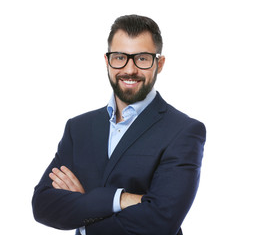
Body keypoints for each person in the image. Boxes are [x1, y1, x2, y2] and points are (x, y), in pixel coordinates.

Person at [32, 14, 206, 235]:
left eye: (142, 58)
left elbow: (161, 221)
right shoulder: (78, 129)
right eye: (120, 57)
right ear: (107, 61)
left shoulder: (183, 131)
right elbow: (43, 205)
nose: (130, 69)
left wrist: (83, 215)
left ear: (159, 64)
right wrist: (120, 199)